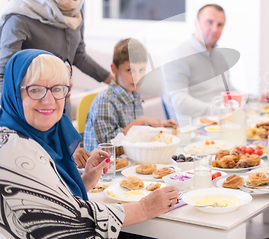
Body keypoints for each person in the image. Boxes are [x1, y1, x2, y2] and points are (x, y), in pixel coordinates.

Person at [0, 49, 179, 238]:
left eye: (57, 89)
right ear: (13, 93)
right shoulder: (13, 148)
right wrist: (145, 207)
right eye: (35, 90)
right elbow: (68, 222)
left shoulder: (38, 134)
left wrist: (84, 181)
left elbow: (47, 200)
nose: (49, 100)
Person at [84, 38, 177, 152]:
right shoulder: (104, 101)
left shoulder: (135, 96)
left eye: (141, 70)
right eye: (129, 70)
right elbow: (108, 147)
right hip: (107, 167)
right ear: (114, 69)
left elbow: (135, 135)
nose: (136, 77)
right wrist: (140, 121)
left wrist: (155, 126)